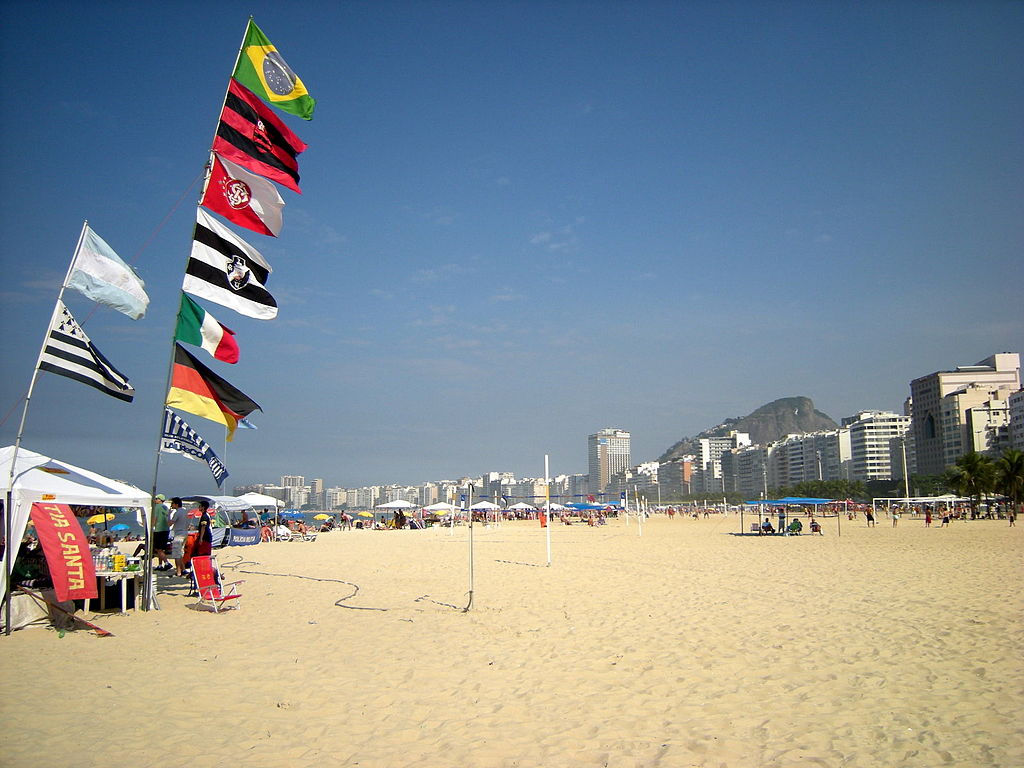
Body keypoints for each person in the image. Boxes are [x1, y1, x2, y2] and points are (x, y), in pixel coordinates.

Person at [167, 497, 189, 577]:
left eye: (172, 503)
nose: (171, 505)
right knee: (180, 553)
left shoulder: (178, 512)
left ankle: (178, 571)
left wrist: (168, 515)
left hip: (179, 534)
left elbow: (169, 523)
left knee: (176, 554)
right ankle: (183, 569)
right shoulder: (185, 511)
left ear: (176, 504)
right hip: (185, 533)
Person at [151, 494, 171, 571]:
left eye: (156, 499)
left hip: (159, 529)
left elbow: (154, 518)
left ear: (159, 500)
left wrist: (152, 526)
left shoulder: (157, 507)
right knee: (161, 549)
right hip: (166, 529)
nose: (155, 500)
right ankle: (160, 565)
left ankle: (167, 563)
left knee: (158, 549)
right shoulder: (166, 507)